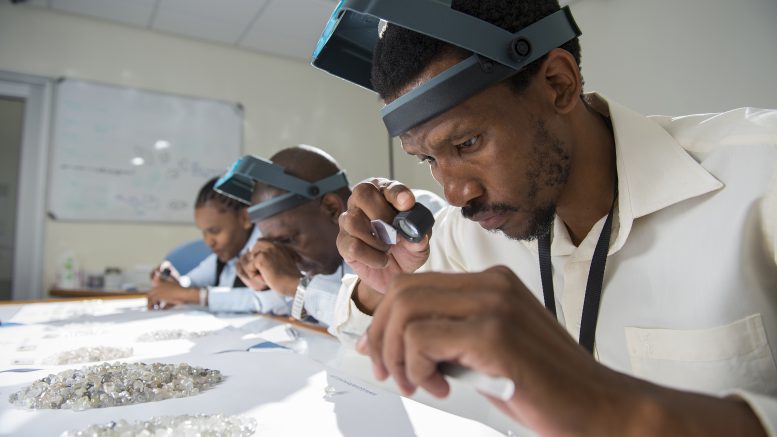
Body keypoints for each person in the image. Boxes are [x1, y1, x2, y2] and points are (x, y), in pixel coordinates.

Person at [319, 0, 777, 435]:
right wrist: (382, 286)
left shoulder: (762, 176)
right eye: (427, 160)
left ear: (558, 84)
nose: (455, 194)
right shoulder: (466, 236)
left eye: (468, 143)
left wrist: (614, 410)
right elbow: (357, 354)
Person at [236, 145, 446, 329]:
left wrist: (295, 285)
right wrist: (266, 283)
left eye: (288, 240)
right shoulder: (324, 256)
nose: (286, 256)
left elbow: (396, 329)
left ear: (331, 208)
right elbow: (309, 310)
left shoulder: (413, 221)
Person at [147, 177, 289, 314]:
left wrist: (192, 295)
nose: (209, 241)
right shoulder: (227, 254)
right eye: (204, 232)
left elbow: (272, 301)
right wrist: (175, 283)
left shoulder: (269, 250)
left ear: (245, 218)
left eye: (214, 231)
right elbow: (192, 281)